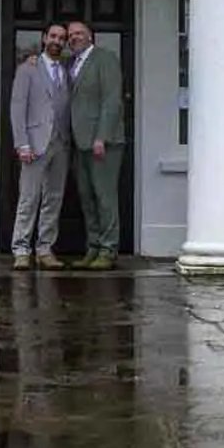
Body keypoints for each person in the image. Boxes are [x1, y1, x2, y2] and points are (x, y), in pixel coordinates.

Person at [8, 23, 71, 269]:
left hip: (61, 143)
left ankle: (44, 249)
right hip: (34, 143)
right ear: (44, 38)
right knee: (29, 197)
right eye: (53, 36)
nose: (57, 41)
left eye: (62, 38)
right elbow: (17, 106)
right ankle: (21, 249)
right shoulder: (28, 69)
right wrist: (21, 143)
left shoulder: (66, 70)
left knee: (53, 199)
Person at [64, 20, 125, 269]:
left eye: (79, 33)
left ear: (91, 36)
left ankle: (108, 250)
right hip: (79, 143)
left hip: (103, 143)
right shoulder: (72, 64)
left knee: (104, 197)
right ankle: (93, 247)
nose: (74, 38)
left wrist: (102, 137)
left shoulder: (105, 59)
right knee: (87, 198)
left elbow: (112, 100)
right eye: (71, 35)